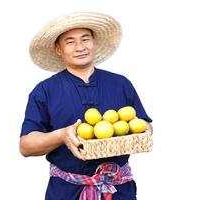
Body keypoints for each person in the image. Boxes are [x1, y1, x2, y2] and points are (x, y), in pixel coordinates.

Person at [19, 12, 153, 200]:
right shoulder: (45, 90)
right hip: (65, 193)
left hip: (119, 192)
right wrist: (62, 135)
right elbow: (26, 146)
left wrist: (145, 130)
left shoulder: (121, 84)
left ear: (94, 41)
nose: (80, 47)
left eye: (85, 39)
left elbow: (145, 126)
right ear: (58, 49)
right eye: (70, 41)